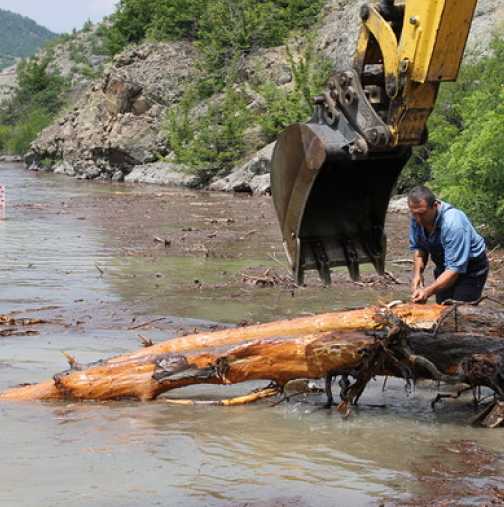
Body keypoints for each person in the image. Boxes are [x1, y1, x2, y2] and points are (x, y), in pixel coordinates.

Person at [408, 186, 489, 304]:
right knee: (441, 308)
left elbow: (454, 269)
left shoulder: (453, 223)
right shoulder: (417, 218)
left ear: (435, 206)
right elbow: (420, 248)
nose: (418, 219)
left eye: (422, 214)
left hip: (471, 269)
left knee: (459, 312)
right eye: (414, 214)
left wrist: (427, 291)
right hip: (445, 265)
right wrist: (417, 274)